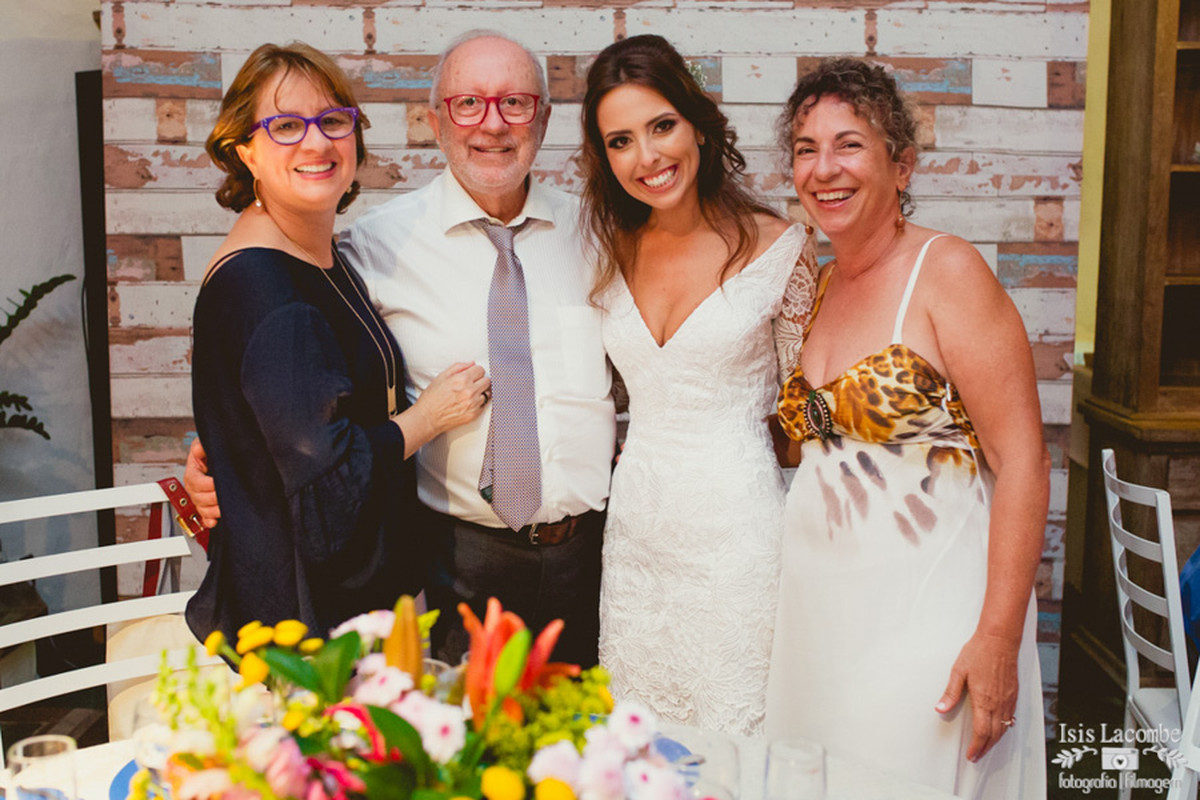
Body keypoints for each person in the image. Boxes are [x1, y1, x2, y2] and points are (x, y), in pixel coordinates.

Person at [765, 58, 1047, 795]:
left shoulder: (946, 270)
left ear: (903, 163)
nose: (824, 168)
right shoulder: (820, 284)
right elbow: (817, 442)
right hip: (819, 621)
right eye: (804, 148)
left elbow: (1023, 462)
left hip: (926, 617)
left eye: (849, 144)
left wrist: (997, 638)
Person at [187, 42, 489, 643]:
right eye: (286, 125)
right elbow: (328, 478)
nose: (316, 142)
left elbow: (278, 423)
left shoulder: (318, 257)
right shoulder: (266, 286)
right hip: (313, 624)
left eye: (333, 121)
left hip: (352, 598)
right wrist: (428, 418)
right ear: (245, 149)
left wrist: (224, 451)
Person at [579, 34, 816, 735]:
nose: (647, 157)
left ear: (698, 126)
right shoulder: (607, 248)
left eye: (661, 127)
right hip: (635, 540)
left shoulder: (780, 247)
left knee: (734, 733)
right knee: (636, 741)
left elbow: (806, 411)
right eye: (621, 140)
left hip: (737, 537)